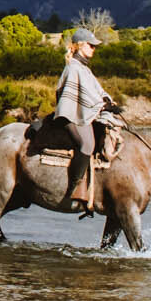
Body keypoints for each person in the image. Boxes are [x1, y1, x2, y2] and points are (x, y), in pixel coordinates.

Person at [52, 27, 110, 214]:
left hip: (80, 113)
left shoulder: (84, 68)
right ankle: (75, 188)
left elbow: (96, 91)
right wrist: (101, 106)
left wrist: (107, 100)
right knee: (87, 144)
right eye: (91, 46)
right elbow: (85, 97)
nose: (94, 49)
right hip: (70, 115)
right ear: (81, 45)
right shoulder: (73, 67)